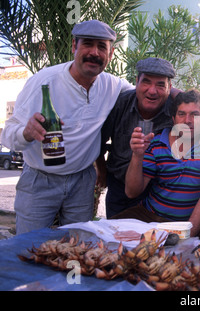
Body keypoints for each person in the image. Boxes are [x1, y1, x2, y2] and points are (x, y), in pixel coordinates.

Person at [0, 20, 134, 234]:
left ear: (111, 53)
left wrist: (183, 100)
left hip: (82, 181)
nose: (94, 52)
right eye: (87, 44)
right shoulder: (43, 82)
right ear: (74, 46)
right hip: (39, 181)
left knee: (77, 246)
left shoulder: (112, 85)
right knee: (29, 246)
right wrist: (26, 132)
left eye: (102, 47)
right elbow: (7, 134)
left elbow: (145, 94)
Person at [112, 89, 200, 237]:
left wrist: (186, 235)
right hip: (149, 216)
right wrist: (137, 155)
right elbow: (132, 192)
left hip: (188, 224)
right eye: (181, 114)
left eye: (194, 114)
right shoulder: (157, 142)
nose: (187, 120)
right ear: (173, 119)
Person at [96, 57, 180, 218]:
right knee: (118, 238)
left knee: (155, 241)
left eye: (161, 85)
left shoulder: (176, 110)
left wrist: (182, 95)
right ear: (136, 82)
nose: (152, 90)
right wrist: (102, 171)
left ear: (170, 87)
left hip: (157, 192)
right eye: (146, 82)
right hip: (119, 188)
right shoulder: (121, 103)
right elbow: (99, 141)